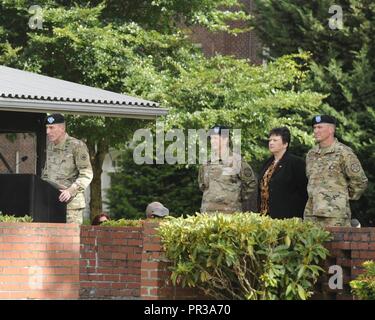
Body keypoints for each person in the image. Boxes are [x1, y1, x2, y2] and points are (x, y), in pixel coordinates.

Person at [304, 115, 368, 227]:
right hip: (311, 214)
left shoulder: (344, 153)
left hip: (335, 216)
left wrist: (341, 197)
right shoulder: (311, 154)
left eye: (319, 127)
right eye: (314, 128)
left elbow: (360, 181)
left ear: (331, 129)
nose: (315, 131)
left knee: (337, 245)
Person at [41, 113, 93, 225]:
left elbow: (87, 173)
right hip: (52, 203)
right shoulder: (50, 147)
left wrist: (71, 191)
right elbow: (46, 174)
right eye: (46, 128)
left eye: (51, 128)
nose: (47, 132)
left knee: (70, 241)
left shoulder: (77, 146)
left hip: (71, 207)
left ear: (62, 128)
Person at [198, 125, 257, 214]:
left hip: (230, 215)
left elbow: (251, 183)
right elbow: (202, 186)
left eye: (216, 138)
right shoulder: (206, 164)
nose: (212, 141)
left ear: (225, 140)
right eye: (211, 138)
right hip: (207, 215)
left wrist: (236, 198)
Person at [258, 127, 308, 219]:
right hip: (264, 216)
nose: (271, 143)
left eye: (275, 140)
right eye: (270, 140)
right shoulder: (267, 163)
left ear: (285, 144)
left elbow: (304, 192)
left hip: (287, 217)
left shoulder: (296, 163)